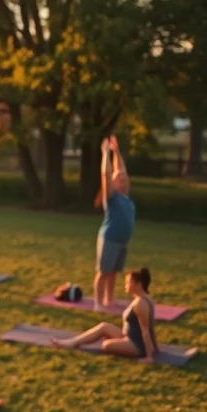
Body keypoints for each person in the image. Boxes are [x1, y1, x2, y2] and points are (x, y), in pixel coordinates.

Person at [52, 268, 157, 363]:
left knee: (105, 345)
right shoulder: (144, 299)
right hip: (128, 337)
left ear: (138, 284)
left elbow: (146, 330)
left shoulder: (140, 303)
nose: (125, 285)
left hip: (136, 345)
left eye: (128, 283)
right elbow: (150, 326)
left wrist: (149, 357)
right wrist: (155, 348)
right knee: (104, 326)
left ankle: (75, 343)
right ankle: (72, 342)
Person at [93, 136, 135, 311]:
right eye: (120, 178)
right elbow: (107, 174)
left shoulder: (126, 197)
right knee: (103, 272)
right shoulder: (111, 197)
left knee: (113, 272)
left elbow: (120, 169)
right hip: (109, 238)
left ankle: (110, 299)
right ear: (114, 184)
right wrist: (105, 154)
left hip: (122, 240)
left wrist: (116, 152)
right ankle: (98, 303)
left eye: (126, 177)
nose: (124, 178)